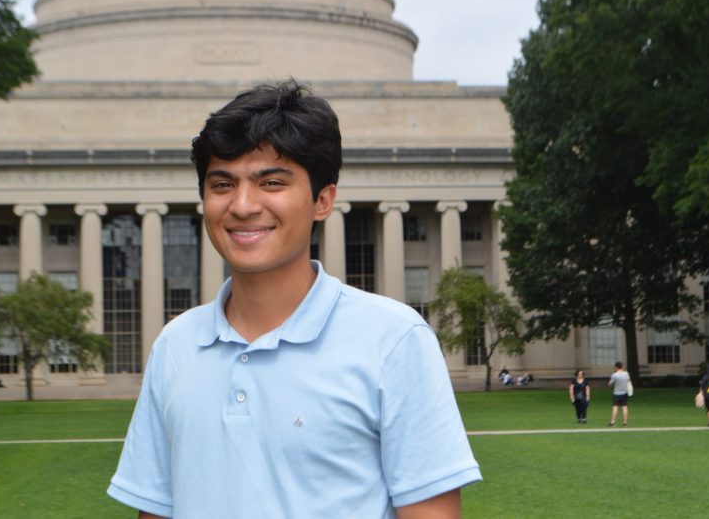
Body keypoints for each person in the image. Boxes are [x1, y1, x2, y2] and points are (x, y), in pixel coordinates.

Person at [108, 81, 481, 518]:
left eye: (271, 182)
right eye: (223, 184)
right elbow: (155, 510)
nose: (243, 205)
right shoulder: (175, 345)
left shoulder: (394, 340)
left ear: (323, 200)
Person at [608, 361, 630, 427]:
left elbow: (609, 384)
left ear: (616, 367)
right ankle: (625, 423)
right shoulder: (626, 373)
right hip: (624, 392)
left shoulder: (614, 375)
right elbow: (628, 381)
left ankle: (612, 422)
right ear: (622, 366)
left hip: (616, 393)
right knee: (625, 407)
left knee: (615, 407)